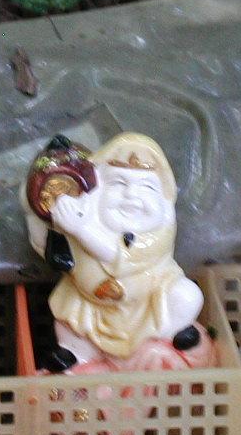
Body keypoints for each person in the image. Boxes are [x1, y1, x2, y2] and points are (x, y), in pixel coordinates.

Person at [25, 132, 210, 373]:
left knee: (187, 296)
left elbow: (119, 254)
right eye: (118, 183)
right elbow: (46, 244)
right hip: (90, 302)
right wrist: (45, 210)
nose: (131, 195)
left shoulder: (160, 231)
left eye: (146, 187)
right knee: (69, 318)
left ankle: (161, 338)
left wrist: (82, 230)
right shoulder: (80, 218)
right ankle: (77, 354)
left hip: (148, 303)